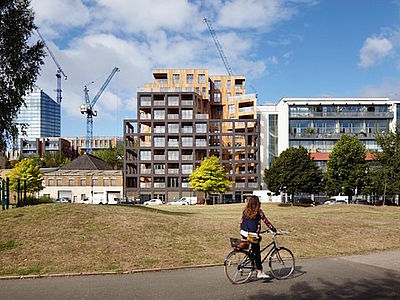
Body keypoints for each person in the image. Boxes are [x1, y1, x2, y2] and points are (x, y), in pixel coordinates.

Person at [240, 195, 277, 279]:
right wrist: (274, 230)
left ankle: (253, 263)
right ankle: (259, 272)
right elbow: (267, 222)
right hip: (252, 234)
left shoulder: (245, 211)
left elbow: (241, 221)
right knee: (257, 253)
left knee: (253, 249)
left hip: (243, 232)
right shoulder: (259, 212)